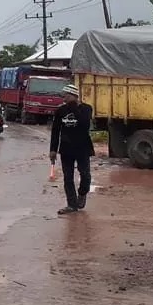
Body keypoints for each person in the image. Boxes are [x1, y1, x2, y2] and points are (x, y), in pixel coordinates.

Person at [49, 84, 94, 215]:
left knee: (85, 175)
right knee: (68, 177)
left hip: (83, 147)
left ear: (74, 96)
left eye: (66, 96)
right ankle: (71, 205)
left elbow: (84, 124)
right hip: (66, 148)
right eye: (63, 97)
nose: (64, 99)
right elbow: (55, 131)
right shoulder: (60, 110)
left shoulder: (86, 109)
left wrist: (74, 107)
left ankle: (82, 193)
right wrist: (53, 149)